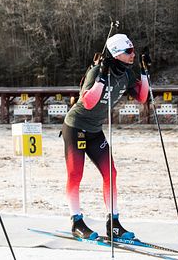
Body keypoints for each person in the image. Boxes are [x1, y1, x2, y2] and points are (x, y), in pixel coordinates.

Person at [62, 33, 149, 240]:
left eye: (133, 50)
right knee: (76, 175)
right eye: (129, 52)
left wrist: (145, 73)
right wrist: (101, 77)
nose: (133, 55)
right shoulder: (95, 72)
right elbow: (88, 102)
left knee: (111, 173)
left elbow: (143, 97)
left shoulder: (126, 74)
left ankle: (114, 224)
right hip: (75, 127)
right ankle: (76, 222)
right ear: (117, 54)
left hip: (95, 130)